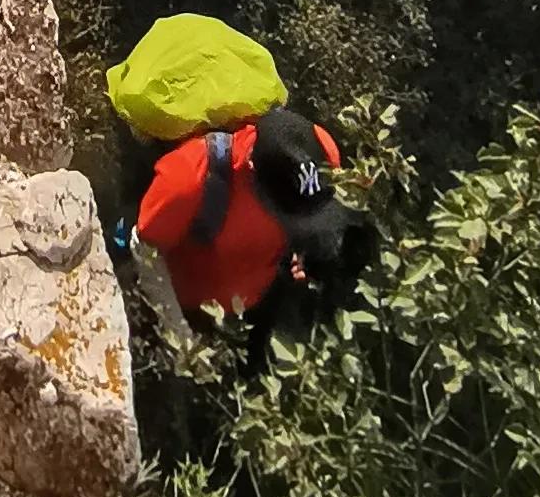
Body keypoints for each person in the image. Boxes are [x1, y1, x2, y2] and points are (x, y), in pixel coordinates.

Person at [133, 105, 379, 362]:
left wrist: (309, 252)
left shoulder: (321, 149)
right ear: (251, 167)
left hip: (261, 304)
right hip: (188, 312)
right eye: (284, 213)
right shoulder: (191, 177)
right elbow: (145, 249)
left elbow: (316, 207)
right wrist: (182, 342)